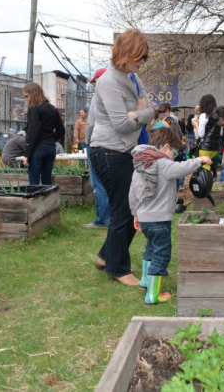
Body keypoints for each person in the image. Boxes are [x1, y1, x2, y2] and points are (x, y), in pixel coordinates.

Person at [89, 28, 153, 286]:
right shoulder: (108, 81)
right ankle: (118, 268)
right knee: (124, 210)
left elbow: (151, 110)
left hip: (124, 151)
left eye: (144, 57)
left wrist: (138, 115)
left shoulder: (134, 79)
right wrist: (138, 115)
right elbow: (121, 125)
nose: (142, 62)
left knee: (129, 207)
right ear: (124, 53)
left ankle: (106, 257)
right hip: (107, 152)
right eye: (139, 56)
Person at [129, 128, 212, 304]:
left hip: (144, 217)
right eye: (174, 152)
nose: (174, 157)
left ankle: (145, 281)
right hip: (159, 219)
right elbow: (180, 169)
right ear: (166, 147)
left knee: (150, 249)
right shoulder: (162, 162)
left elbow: (132, 192)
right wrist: (199, 160)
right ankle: (153, 295)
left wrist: (135, 213)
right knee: (162, 254)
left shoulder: (141, 164)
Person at [83, 70, 111, 229]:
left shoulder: (97, 97)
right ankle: (111, 217)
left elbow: (91, 122)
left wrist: (87, 141)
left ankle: (102, 220)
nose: (94, 85)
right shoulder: (116, 95)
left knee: (97, 182)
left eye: (95, 82)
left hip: (96, 142)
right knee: (109, 182)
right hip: (112, 143)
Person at [22, 82, 65, 185]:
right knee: (47, 181)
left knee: (34, 183)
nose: (26, 99)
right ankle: (48, 201)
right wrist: (50, 139)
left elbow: (33, 133)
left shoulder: (34, 109)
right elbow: (61, 130)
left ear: (33, 94)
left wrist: (26, 154)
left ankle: (35, 201)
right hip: (50, 148)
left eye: (26, 96)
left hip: (38, 148)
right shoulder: (52, 108)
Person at [197, 94, 224, 171]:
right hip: (215, 149)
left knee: (205, 171)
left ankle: (207, 183)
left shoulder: (203, 116)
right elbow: (221, 133)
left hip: (205, 149)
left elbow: (201, 134)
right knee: (213, 170)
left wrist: (196, 125)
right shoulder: (219, 116)